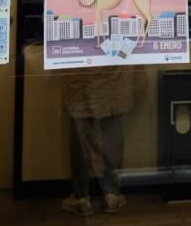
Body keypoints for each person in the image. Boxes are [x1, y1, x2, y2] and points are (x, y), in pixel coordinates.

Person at [59, 66, 145, 216]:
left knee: (80, 134)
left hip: (80, 75)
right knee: (112, 132)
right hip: (112, 73)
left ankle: (82, 198)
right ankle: (111, 194)